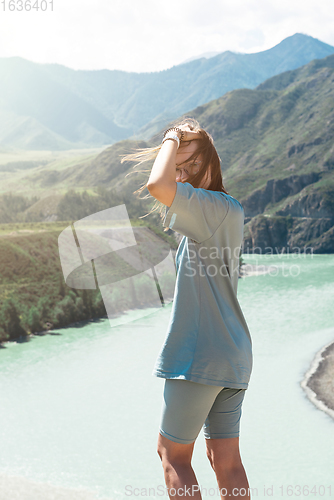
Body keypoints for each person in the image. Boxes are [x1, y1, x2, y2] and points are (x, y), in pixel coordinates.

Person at [123, 118, 253, 500]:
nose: (180, 174)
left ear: (211, 161)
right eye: (177, 166)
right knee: (224, 460)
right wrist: (180, 148)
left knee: (173, 455)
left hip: (200, 356)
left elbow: (156, 185)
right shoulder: (227, 209)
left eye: (189, 164)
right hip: (234, 354)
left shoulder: (208, 209)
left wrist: (171, 135)